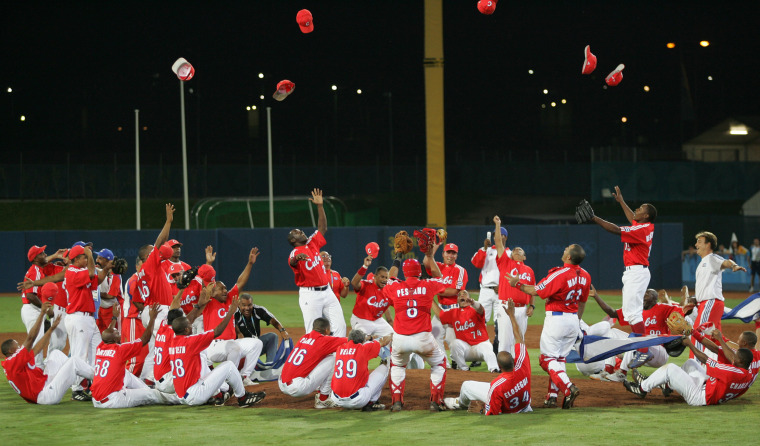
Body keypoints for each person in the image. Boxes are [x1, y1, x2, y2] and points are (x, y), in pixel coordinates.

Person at [507, 243, 590, 409]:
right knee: (559, 359)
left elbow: (536, 291)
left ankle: (568, 387)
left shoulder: (560, 273)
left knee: (546, 359)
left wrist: (517, 284)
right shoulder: (586, 276)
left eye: (567, 248)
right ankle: (552, 397)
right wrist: (576, 322)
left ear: (569, 257)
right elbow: (582, 302)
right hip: (573, 319)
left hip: (557, 320)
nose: (564, 248)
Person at [591, 186, 657, 368]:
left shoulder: (643, 229)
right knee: (630, 313)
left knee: (633, 313)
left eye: (640, 209)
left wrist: (594, 218)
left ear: (646, 216)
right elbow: (632, 218)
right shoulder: (643, 225)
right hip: (635, 272)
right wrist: (621, 202)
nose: (637, 210)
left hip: (636, 272)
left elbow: (616, 230)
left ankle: (644, 351)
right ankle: (642, 348)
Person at [2, 287, 95, 405]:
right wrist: (42, 313)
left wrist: (51, 329)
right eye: (17, 345)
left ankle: (75, 375)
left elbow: (36, 348)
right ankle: (101, 379)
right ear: (10, 350)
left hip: (44, 386)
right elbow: (30, 339)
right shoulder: (13, 362)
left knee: (55, 354)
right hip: (45, 395)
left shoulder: (13, 362)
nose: (20, 345)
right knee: (74, 362)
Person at [380, 254, 449, 412]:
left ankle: (397, 402)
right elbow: (442, 281)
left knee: (397, 366)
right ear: (419, 272)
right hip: (423, 337)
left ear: (404, 273)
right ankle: (435, 402)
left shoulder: (396, 286)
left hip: (400, 338)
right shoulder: (428, 284)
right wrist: (430, 257)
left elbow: (390, 278)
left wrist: (397, 259)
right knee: (439, 364)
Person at [169, 295, 266, 407]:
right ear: (186, 330)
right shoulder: (190, 342)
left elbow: (182, 324)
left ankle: (219, 396)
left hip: (182, 395)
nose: (191, 326)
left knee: (201, 357)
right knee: (229, 366)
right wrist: (230, 313)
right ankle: (243, 398)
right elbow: (217, 332)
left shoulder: (173, 341)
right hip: (195, 394)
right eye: (189, 326)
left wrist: (198, 306)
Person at [443, 299, 532, 415]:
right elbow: (519, 337)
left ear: (499, 366)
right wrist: (512, 315)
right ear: (513, 361)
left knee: (466, 386)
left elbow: (492, 412)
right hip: (525, 405)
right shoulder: (523, 365)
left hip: (511, 409)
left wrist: (481, 409)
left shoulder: (497, 385)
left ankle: (458, 403)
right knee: (498, 390)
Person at [622, 336, 755, 406]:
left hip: (699, 397)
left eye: (735, 358)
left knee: (670, 368)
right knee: (691, 363)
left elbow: (706, 359)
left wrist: (689, 344)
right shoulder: (749, 377)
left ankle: (641, 388)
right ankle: (666, 385)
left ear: (741, 362)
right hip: (709, 391)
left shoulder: (732, 372)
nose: (733, 358)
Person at [91, 303, 178, 408]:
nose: (119, 333)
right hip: (113, 400)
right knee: (152, 395)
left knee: (126, 373)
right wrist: (152, 319)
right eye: (117, 334)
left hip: (96, 400)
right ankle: (177, 399)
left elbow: (108, 333)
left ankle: (145, 390)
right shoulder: (120, 350)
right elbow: (145, 339)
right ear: (114, 340)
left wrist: (114, 317)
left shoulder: (100, 347)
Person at [590, 286, 683, 381]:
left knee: (636, 338)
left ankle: (622, 374)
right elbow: (613, 313)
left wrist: (689, 304)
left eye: (647, 295)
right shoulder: (635, 310)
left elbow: (683, 310)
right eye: (643, 295)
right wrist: (596, 296)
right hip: (640, 350)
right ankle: (608, 370)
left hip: (659, 353)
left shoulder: (663, 308)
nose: (643, 297)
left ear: (654, 299)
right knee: (612, 333)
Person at [287, 188, 346, 337]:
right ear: (293, 240)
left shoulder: (312, 243)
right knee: (313, 332)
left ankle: (336, 357)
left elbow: (323, 227)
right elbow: (292, 261)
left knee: (340, 326)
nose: (302, 232)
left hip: (327, 291)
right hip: (310, 295)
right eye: (298, 233)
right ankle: (312, 357)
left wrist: (320, 206)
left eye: (301, 230)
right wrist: (296, 260)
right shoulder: (296, 252)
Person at [200, 248, 263, 386]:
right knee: (234, 348)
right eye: (220, 288)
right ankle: (230, 380)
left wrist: (250, 264)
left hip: (230, 344)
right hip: (214, 346)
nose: (224, 290)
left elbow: (240, 282)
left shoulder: (229, 299)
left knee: (256, 343)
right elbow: (207, 281)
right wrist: (208, 263)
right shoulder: (208, 301)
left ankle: (244, 376)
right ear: (212, 291)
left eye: (225, 288)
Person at [136, 204, 178, 384]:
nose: (158, 252)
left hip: (150, 310)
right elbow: (161, 240)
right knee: (167, 343)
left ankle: (148, 379)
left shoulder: (143, 271)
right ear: (147, 256)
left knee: (154, 348)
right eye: (153, 251)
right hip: (158, 310)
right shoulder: (151, 263)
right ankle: (164, 379)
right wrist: (168, 221)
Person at [692, 231, 746, 358]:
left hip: (710, 303)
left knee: (698, 334)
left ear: (708, 244)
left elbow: (726, 262)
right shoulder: (702, 263)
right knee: (717, 339)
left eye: (699, 242)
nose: (696, 245)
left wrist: (734, 265)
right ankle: (746, 356)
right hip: (707, 304)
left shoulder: (711, 258)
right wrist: (695, 299)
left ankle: (696, 367)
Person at [278, 317, 347, 409]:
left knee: (322, 358)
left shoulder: (304, 338)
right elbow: (350, 340)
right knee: (333, 360)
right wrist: (369, 337)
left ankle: (320, 390)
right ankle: (323, 400)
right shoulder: (323, 341)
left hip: (282, 383)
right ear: (326, 330)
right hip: (297, 387)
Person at [494, 216, 536, 357]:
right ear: (510, 255)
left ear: (524, 257)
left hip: (522, 310)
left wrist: (532, 306)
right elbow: (498, 242)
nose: (517, 250)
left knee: (519, 340)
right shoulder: (505, 262)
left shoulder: (529, 270)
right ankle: (503, 370)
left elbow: (533, 291)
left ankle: (517, 369)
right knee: (505, 341)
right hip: (506, 307)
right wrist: (498, 224)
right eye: (515, 250)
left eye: (521, 250)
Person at [64, 244, 100, 400]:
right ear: (76, 259)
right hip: (78, 317)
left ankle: (95, 385)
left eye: (87, 256)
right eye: (84, 256)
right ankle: (76, 389)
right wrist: (90, 254)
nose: (87, 259)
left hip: (88, 317)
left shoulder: (82, 271)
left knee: (97, 352)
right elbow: (91, 272)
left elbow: (94, 281)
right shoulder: (71, 271)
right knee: (80, 355)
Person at [424, 242, 468, 368]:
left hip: (454, 311)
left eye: (453, 253)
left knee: (452, 340)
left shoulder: (460, 270)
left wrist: (435, 289)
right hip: (441, 309)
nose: (450, 255)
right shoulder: (438, 267)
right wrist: (436, 245)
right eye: (448, 252)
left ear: (456, 256)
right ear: (443, 254)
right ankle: (445, 364)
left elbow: (456, 291)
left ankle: (461, 366)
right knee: (434, 336)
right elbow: (427, 261)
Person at [20, 245, 65, 364]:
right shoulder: (35, 271)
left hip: (34, 309)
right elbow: (30, 296)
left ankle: (38, 366)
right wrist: (46, 309)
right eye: (42, 253)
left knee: (37, 338)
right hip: (31, 309)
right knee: (36, 340)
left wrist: (55, 256)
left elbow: (45, 262)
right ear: (35, 259)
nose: (45, 254)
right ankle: (37, 367)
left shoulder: (38, 269)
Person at [433, 290, 498, 372]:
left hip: (480, 347)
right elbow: (440, 314)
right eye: (459, 295)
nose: (462, 295)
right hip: (466, 350)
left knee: (487, 346)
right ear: (457, 300)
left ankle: (494, 369)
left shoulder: (475, 310)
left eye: (464, 294)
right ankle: (464, 369)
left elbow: (480, 309)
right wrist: (430, 299)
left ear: (469, 298)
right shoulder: (453, 313)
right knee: (454, 344)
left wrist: (473, 303)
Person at [330, 329, 392, 411]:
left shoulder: (339, 349)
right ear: (362, 341)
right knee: (384, 366)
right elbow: (383, 342)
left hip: (336, 399)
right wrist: (392, 334)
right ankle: (371, 403)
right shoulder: (363, 348)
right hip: (358, 400)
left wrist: (367, 338)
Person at [235, 293, 290, 362]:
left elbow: (273, 320)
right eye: (244, 305)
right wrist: (239, 333)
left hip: (256, 346)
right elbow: (233, 324)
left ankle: (269, 368)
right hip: (240, 351)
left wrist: (282, 330)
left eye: (249, 305)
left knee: (272, 337)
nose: (247, 308)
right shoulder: (235, 313)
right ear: (239, 305)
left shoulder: (258, 310)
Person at [470, 227, 509, 323]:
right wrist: (484, 249)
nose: (497, 237)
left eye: (499, 235)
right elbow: (476, 263)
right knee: (481, 319)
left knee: (500, 321)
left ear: (505, 237)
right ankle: (482, 338)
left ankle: (498, 339)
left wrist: (503, 286)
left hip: (502, 291)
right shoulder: (486, 250)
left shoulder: (510, 253)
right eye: (495, 235)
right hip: (486, 290)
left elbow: (512, 274)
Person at [123, 254, 148, 377]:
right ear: (137, 266)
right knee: (136, 358)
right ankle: (124, 385)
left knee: (148, 355)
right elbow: (137, 302)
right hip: (134, 319)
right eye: (143, 266)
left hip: (144, 320)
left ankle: (140, 382)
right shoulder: (134, 279)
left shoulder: (147, 279)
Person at [94, 248, 120, 333]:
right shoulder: (98, 270)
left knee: (112, 336)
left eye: (100, 259)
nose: (97, 260)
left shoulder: (116, 275)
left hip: (111, 310)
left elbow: (111, 295)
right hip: (101, 309)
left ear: (108, 262)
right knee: (99, 335)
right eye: (97, 257)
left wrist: (97, 293)